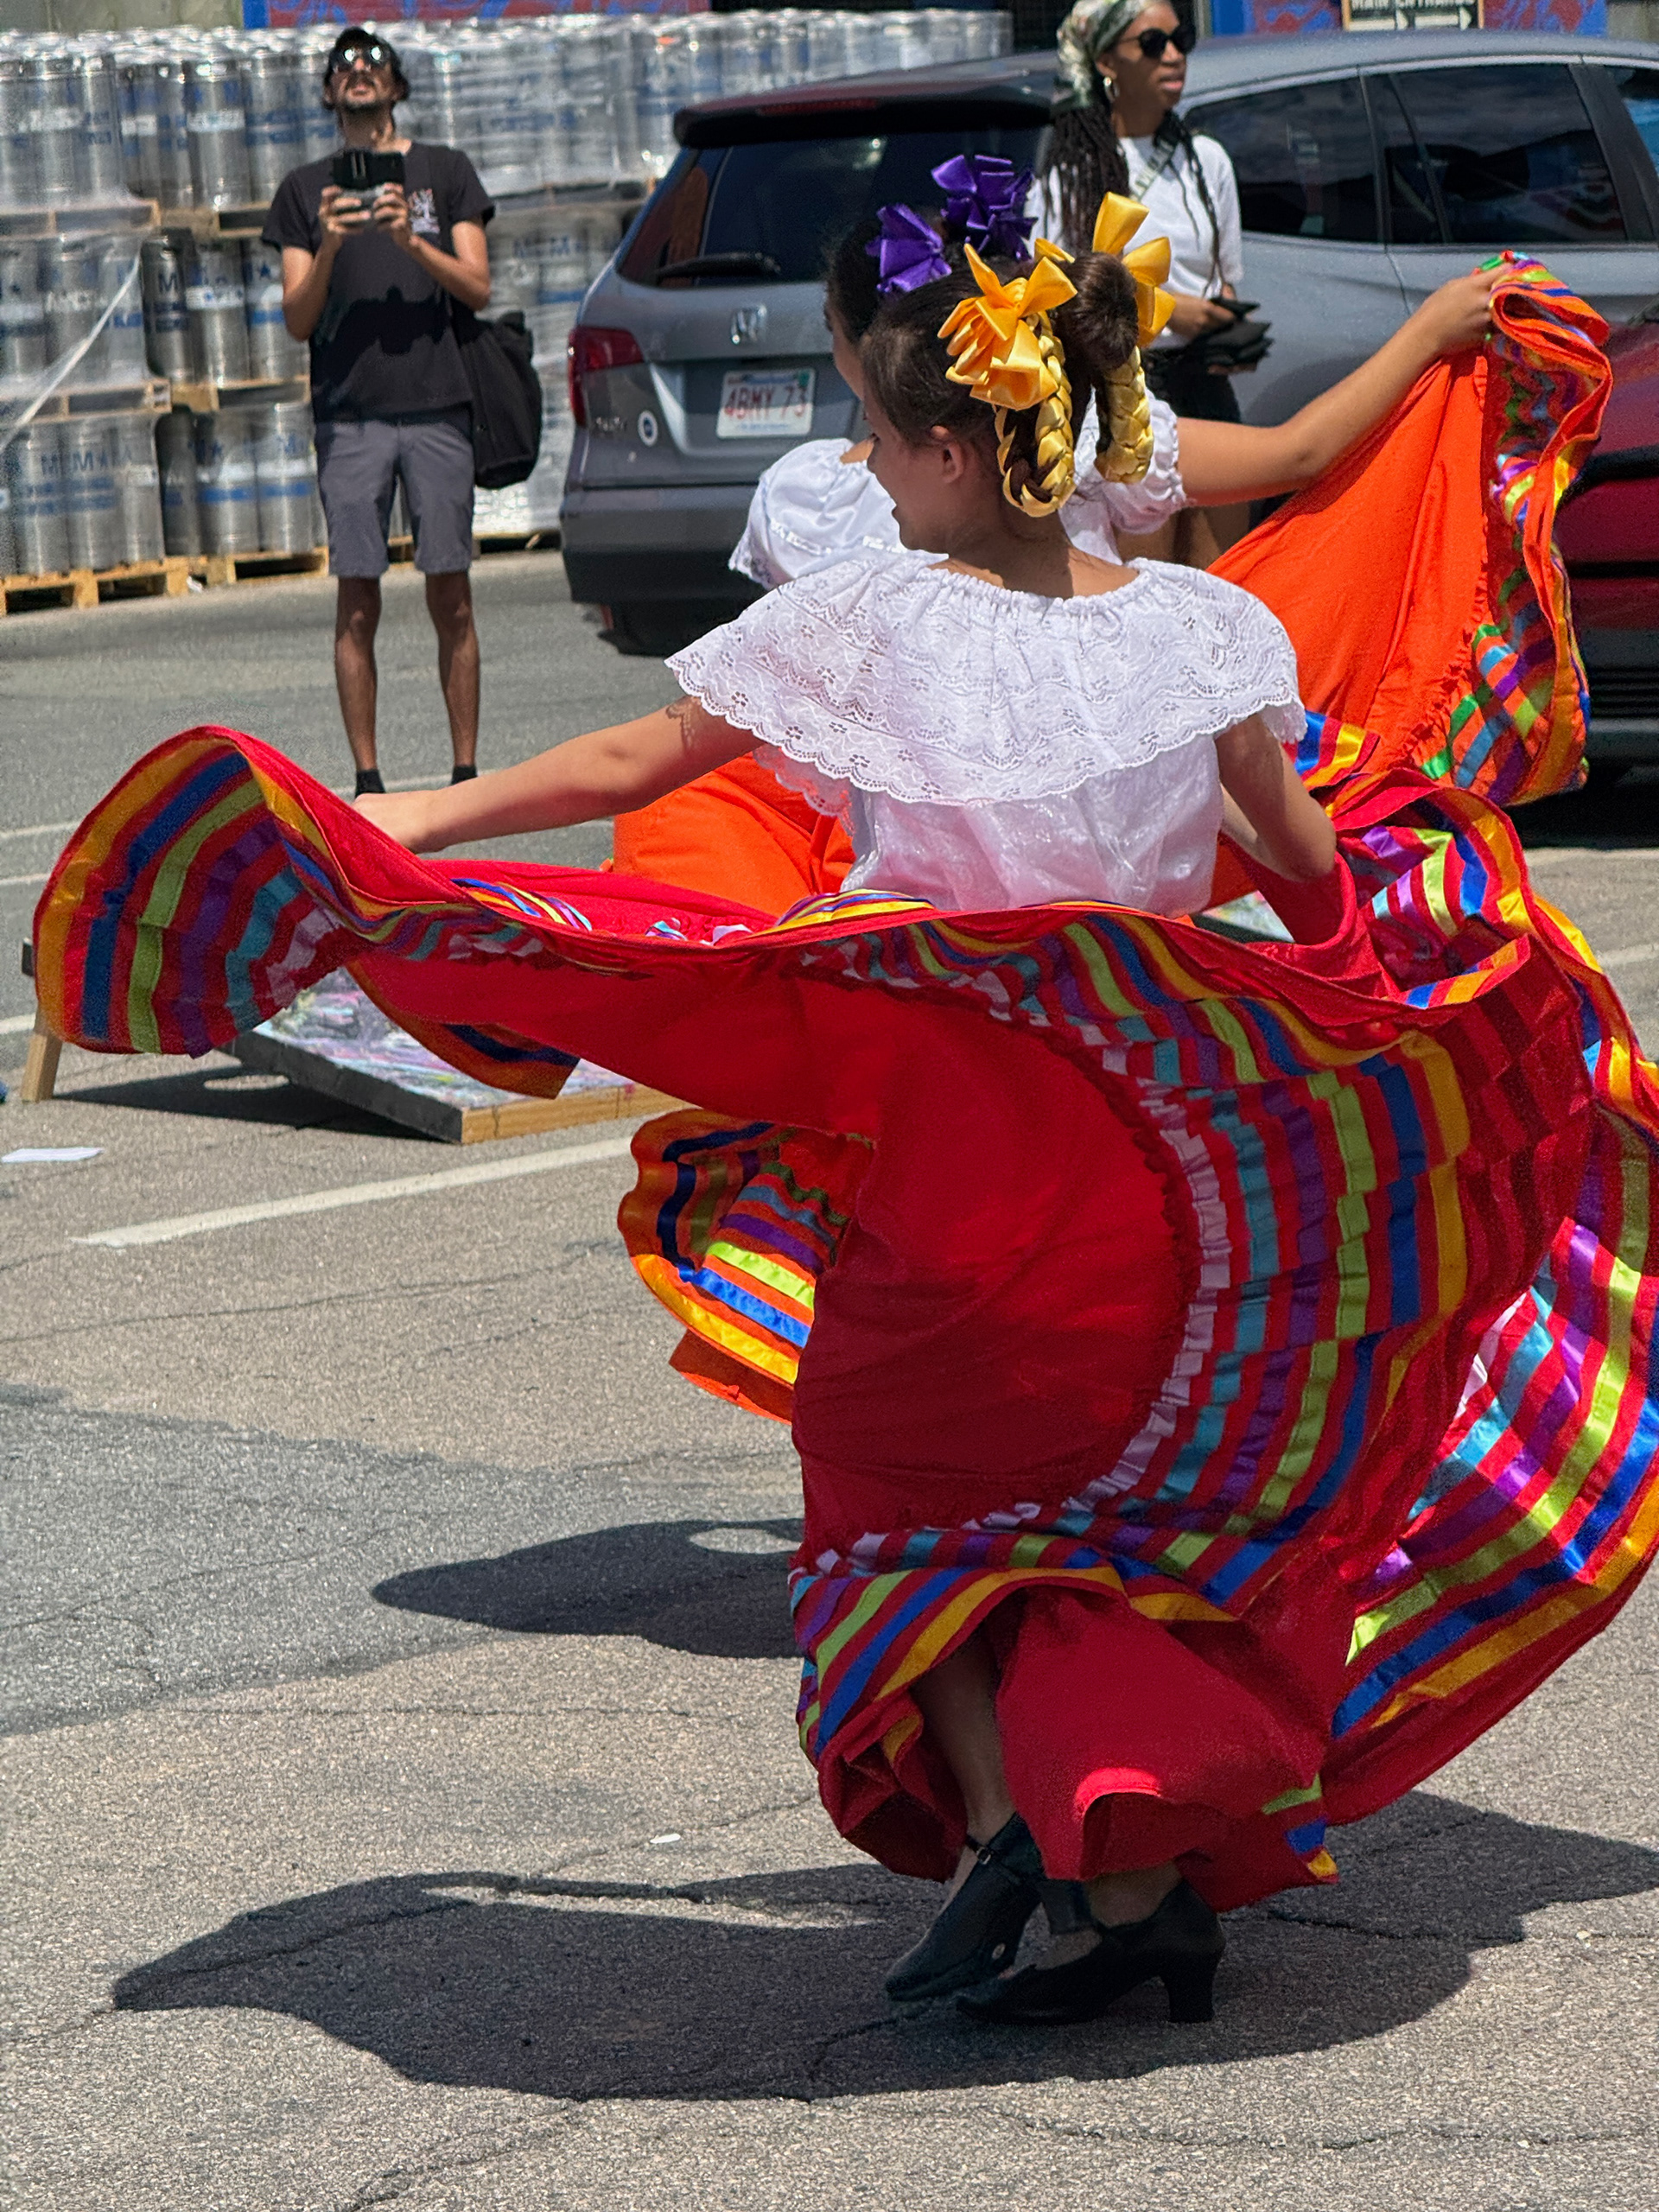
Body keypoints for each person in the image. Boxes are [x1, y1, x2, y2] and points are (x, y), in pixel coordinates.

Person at [33, 218, 1654, 2030]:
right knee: (1115, 1522)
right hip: (1173, 1186)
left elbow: (634, 767)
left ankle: (1004, 1842)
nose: (862, 473)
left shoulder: (874, 613)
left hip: (968, 1172)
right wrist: (1360, 1059)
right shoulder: (1213, 627)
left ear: (958, 449)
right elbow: (1299, 871)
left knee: (896, 1496)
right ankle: (1131, 1877)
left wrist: (417, 821)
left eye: (879, 442)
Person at [613, 164, 1497, 911]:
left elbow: (700, 741)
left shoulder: (809, 497)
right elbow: (1296, 452)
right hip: (1061, 893)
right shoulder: (1069, 449)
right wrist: (1427, 330)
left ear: (856, 345)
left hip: (963, 901)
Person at [264, 26, 493, 798]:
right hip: (350, 416)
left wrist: (411, 240)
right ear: (330, 93)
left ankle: (465, 773)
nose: (359, 75)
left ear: (396, 86)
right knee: (357, 597)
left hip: (436, 407)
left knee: (450, 593)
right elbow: (298, 317)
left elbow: (479, 286)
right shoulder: (305, 191)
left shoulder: (445, 172)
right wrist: (329, 245)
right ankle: (368, 781)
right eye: (344, 68)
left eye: (373, 65)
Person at [1048, 0, 1250, 563]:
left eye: (1180, 38)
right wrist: (1162, 310)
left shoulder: (1206, 161)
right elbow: (1057, 292)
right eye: (1154, 42)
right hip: (1119, 394)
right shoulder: (1073, 172)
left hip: (1203, 384)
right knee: (1141, 577)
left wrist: (1228, 327)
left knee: (1223, 572)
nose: (1175, 54)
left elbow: (1226, 280)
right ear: (1108, 60)